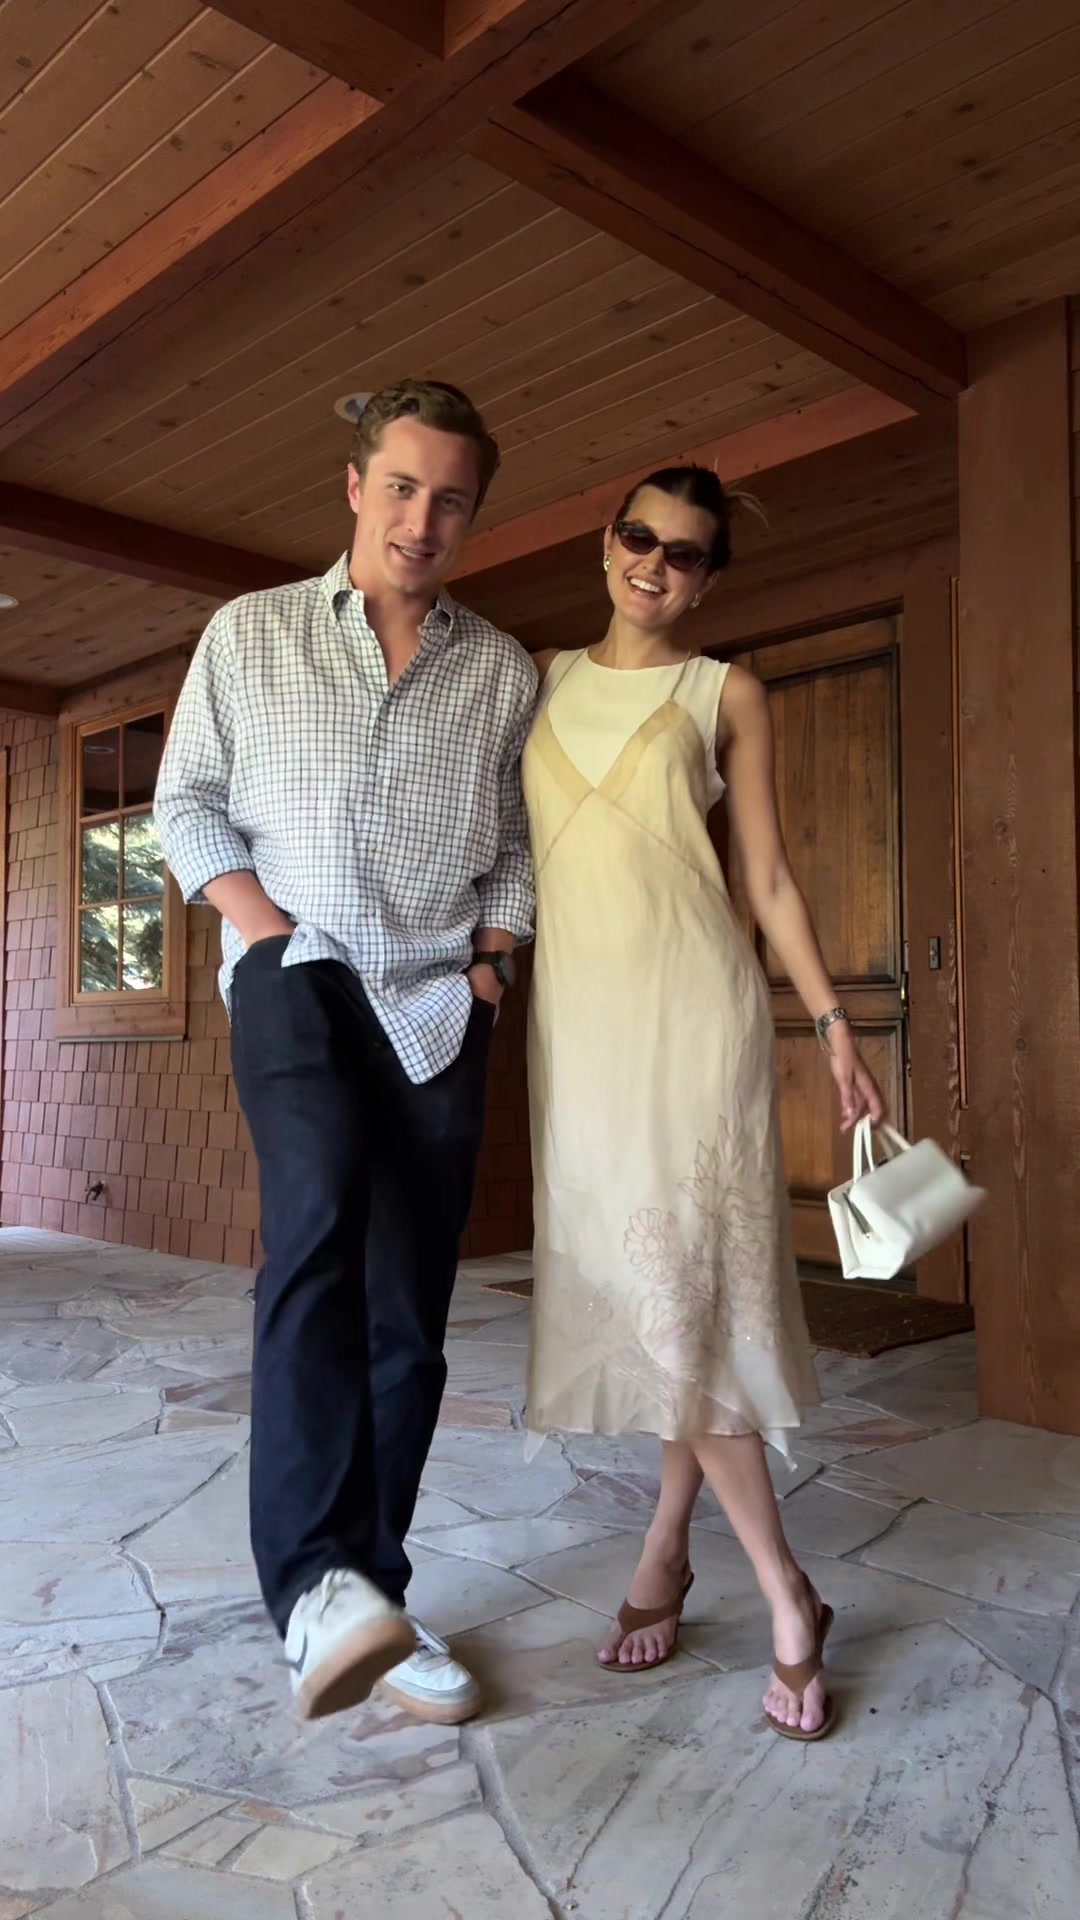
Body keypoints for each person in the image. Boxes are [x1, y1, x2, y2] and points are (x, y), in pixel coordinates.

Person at [156, 379, 537, 1725]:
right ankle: (311, 1586)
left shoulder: (502, 670)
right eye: (402, 487)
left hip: (438, 1006)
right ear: (356, 487)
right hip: (298, 976)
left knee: (409, 1319)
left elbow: (514, 846)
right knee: (316, 1243)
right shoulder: (250, 633)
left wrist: (493, 963)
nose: (422, 520)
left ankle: (373, 1594)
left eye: (451, 500)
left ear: (472, 515)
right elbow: (186, 802)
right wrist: (264, 937)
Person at [522, 465, 884, 1741]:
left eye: (685, 554)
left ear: (709, 578)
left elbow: (766, 879)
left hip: (692, 1023)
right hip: (580, 1036)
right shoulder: (540, 681)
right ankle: (666, 1551)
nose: (655, 565)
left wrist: (832, 1025)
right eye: (639, 537)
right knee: (668, 1307)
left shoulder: (724, 692)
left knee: (685, 1307)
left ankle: (788, 1598)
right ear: (605, 541)